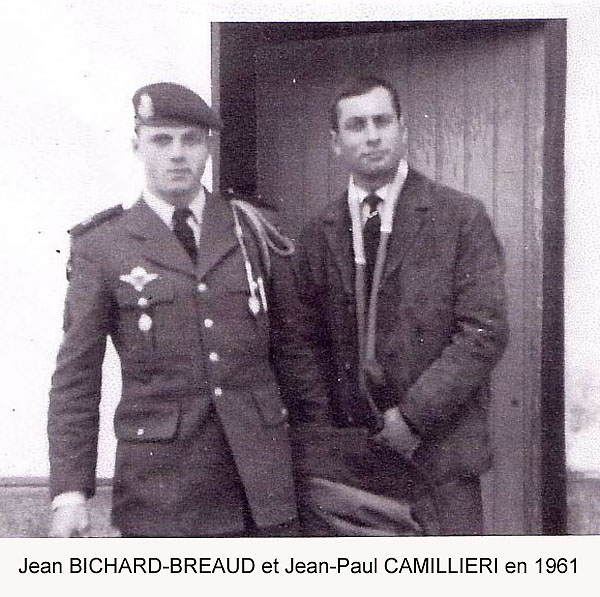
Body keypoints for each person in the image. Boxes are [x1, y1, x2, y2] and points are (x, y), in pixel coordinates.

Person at [47, 82, 297, 537]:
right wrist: (70, 493)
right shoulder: (103, 246)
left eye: (191, 140)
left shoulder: (252, 230)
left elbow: (295, 356)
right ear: (137, 146)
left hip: (261, 487)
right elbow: (76, 378)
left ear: (208, 147)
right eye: (162, 140)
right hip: (161, 493)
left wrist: (314, 464)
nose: (177, 154)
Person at [283, 75, 509, 536]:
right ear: (335, 142)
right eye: (356, 125)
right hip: (351, 465)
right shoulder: (317, 233)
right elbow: (300, 343)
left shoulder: (460, 217)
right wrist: (329, 434)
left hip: (440, 460)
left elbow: (483, 332)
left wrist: (413, 418)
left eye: (382, 121)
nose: (371, 136)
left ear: (403, 130)